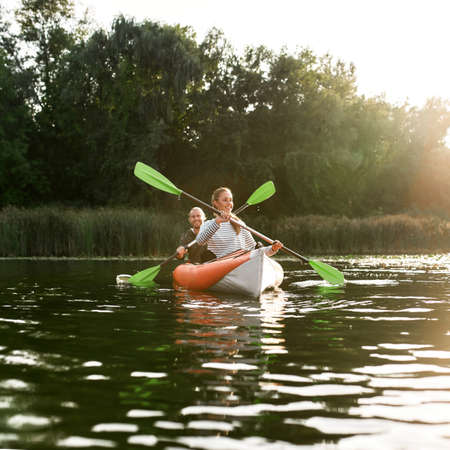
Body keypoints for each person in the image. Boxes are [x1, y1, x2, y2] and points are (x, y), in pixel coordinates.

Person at [196, 187, 283, 259]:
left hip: (241, 261)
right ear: (216, 203)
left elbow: (253, 250)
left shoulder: (239, 223)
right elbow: (200, 241)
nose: (229, 203)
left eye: (231, 200)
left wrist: (272, 249)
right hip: (221, 265)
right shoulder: (208, 224)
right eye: (225, 200)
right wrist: (218, 221)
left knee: (259, 245)